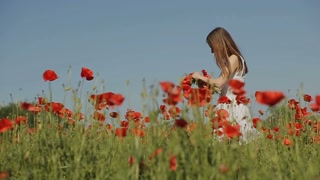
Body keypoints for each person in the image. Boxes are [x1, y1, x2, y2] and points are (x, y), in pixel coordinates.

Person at [191, 27, 260, 143]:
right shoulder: (232, 60)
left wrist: (199, 76)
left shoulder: (234, 58)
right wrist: (207, 85)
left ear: (219, 43)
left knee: (234, 144)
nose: (212, 51)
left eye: (212, 47)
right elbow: (221, 87)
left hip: (233, 108)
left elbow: (220, 82)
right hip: (228, 106)